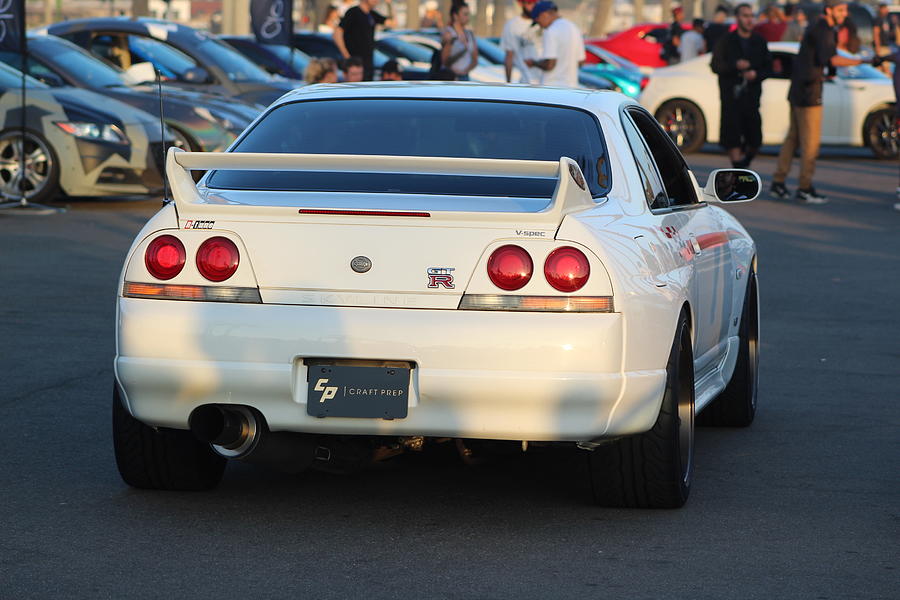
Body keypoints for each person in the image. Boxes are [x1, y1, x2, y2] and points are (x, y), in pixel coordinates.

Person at [770, 0, 870, 204]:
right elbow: (832, 59)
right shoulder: (823, 29)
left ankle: (778, 183)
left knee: (793, 138)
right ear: (829, 10)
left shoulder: (818, 27)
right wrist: (863, 60)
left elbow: (820, 59)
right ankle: (805, 188)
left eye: (845, 10)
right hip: (809, 94)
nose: (844, 14)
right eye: (840, 10)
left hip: (799, 90)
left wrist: (828, 73)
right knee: (811, 144)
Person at [712, 3, 772, 169]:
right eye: (745, 16)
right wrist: (735, 65)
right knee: (732, 138)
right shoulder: (726, 40)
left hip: (751, 99)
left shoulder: (759, 41)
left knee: (755, 139)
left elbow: (768, 68)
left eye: (751, 16)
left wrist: (755, 75)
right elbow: (715, 65)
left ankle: (743, 166)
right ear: (738, 18)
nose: (749, 20)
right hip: (731, 99)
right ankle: (737, 169)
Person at [526, 1, 584, 87]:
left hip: (552, 86)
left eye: (538, 22)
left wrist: (534, 63)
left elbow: (550, 65)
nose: (540, 26)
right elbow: (580, 62)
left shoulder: (550, 31)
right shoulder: (574, 28)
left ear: (544, 15)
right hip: (571, 86)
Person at [334, 0, 394, 81]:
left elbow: (392, 23)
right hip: (355, 66)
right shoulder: (353, 12)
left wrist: (390, 4)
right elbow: (337, 33)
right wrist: (347, 56)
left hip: (368, 64)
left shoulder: (371, 14)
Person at [500, 0, 542, 83]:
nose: (533, 6)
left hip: (546, 81)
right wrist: (508, 83)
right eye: (529, 3)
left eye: (535, 3)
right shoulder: (512, 25)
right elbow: (509, 56)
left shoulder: (543, 22)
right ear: (521, 3)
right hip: (526, 80)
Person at [440, 2, 478, 81]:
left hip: (465, 76)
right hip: (450, 78)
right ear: (455, 16)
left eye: (468, 14)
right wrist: (456, 71)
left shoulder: (469, 34)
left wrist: (465, 70)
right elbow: (444, 60)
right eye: (465, 14)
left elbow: (475, 59)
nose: (467, 17)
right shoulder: (449, 34)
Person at [873, 4, 898, 74]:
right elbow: (876, 33)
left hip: (887, 45)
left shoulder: (887, 19)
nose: (886, 10)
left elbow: (892, 32)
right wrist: (877, 46)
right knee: (884, 65)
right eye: (884, 9)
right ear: (880, 9)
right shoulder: (878, 19)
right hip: (882, 46)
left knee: (886, 65)